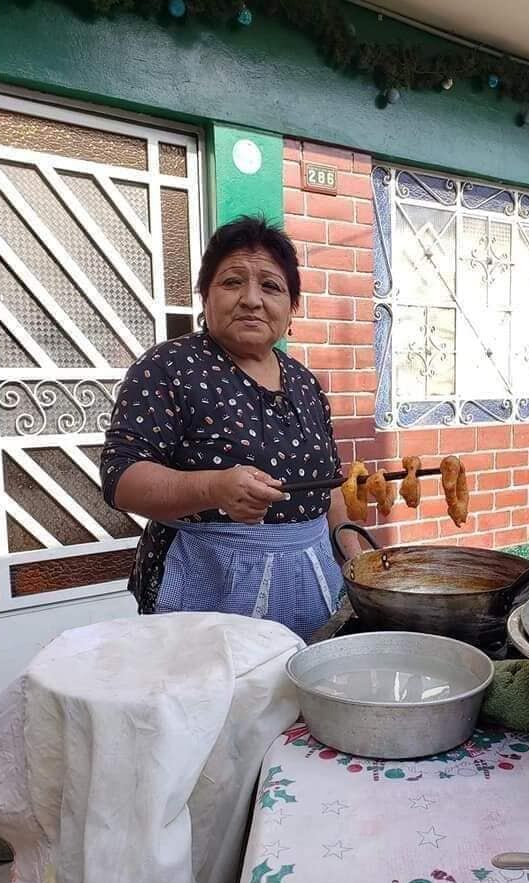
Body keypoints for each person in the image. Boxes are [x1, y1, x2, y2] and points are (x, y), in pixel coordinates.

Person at [101, 217, 357, 640]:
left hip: (311, 582)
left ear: (292, 307)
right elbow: (121, 479)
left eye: (271, 287)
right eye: (232, 282)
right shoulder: (169, 368)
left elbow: (328, 485)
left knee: (299, 698)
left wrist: (355, 560)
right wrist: (213, 488)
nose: (251, 300)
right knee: (211, 699)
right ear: (206, 297)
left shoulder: (305, 382)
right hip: (208, 587)